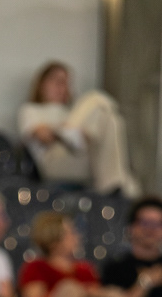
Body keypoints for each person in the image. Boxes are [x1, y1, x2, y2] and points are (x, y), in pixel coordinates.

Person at [18, 61, 139, 197]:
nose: (61, 87)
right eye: (57, 81)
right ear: (42, 84)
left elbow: (87, 136)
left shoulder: (70, 111)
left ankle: (113, 185)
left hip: (82, 157)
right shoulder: (31, 110)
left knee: (112, 120)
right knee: (95, 98)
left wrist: (77, 133)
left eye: (65, 83)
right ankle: (119, 185)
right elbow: (43, 136)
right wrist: (64, 130)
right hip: (53, 163)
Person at [18, 212, 104, 297]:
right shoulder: (36, 267)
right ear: (53, 240)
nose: (76, 237)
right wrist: (72, 294)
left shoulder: (86, 269)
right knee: (68, 290)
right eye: (70, 233)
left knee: (113, 295)